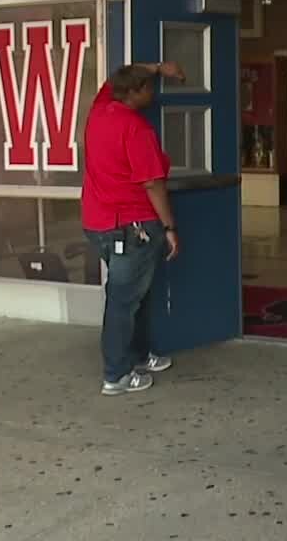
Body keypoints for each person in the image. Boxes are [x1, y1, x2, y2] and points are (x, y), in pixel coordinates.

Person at [82, 61, 185, 396]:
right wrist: (169, 227)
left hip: (99, 224)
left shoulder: (98, 112)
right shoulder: (136, 129)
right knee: (124, 302)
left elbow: (115, 77)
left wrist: (157, 68)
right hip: (133, 227)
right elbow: (152, 184)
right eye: (149, 88)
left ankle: (138, 356)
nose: (153, 94)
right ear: (137, 92)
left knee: (134, 296)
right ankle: (117, 375)